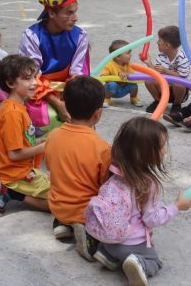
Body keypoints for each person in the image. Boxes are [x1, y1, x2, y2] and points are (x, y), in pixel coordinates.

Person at [85, 118, 191, 284]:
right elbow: (152, 219)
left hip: (109, 241)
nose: (164, 152)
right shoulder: (148, 184)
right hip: (131, 245)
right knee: (155, 262)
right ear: (145, 153)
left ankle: (108, 255)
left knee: (117, 245)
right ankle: (139, 263)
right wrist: (177, 206)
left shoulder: (115, 173)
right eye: (161, 147)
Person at [44, 76, 111, 262]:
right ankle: (87, 233)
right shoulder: (102, 147)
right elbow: (105, 185)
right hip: (84, 212)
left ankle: (63, 224)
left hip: (56, 205)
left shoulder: (53, 136)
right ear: (98, 114)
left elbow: (50, 167)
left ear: (65, 105)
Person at [19, 0, 89, 133]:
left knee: (81, 114)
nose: (75, 18)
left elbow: (77, 73)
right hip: (36, 90)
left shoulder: (80, 36)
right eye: (68, 13)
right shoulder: (32, 36)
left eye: (75, 12)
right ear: (51, 13)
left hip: (68, 89)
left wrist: (71, 100)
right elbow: (31, 77)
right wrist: (57, 103)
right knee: (45, 116)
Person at [0, 55, 50, 217]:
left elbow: (22, 139)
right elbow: (14, 154)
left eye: (35, 77)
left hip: (23, 169)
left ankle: (4, 182)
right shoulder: (12, 113)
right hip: (16, 173)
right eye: (27, 79)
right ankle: (10, 191)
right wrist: (42, 147)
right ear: (10, 83)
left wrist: (38, 141)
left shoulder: (18, 106)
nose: (35, 83)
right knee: (61, 203)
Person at [141, 25, 191, 117]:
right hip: (163, 88)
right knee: (148, 80)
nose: (157, 42)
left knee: (179, 83)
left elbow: (182, 76)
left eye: (159, 41)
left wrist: (166, 71)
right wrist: (149, 64)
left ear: (167, 45)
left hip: (177, 91)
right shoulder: (161, 55)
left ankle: (177, 105)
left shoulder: (183, 57)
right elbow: (157, 73)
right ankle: (158, 101)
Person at [100, 39, 142, 108]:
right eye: (128, 53)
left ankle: (133, 97)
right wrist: (114, 78)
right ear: (118, 57)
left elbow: (133, 75)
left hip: (124, 88)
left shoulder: (128, 64)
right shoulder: (109, 65)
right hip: (113, 89)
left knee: (133, 84)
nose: (130, 55)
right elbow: (103, 77)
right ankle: (106, 99)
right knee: (112, 84)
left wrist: (127, 73)